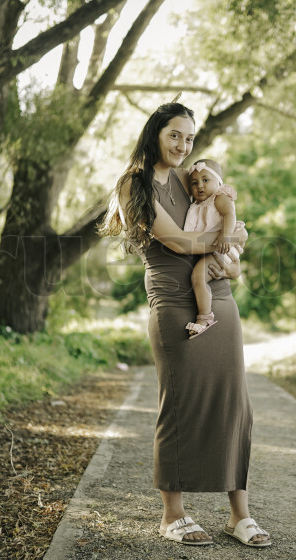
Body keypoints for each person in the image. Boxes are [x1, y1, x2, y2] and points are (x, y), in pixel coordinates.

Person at [100, 102, 271, 547]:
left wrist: (233, 253)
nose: (183, 145)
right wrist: (228, 241)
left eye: (190, 138)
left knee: (235, 402)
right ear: (156, 132)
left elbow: (233, 225)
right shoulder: (132, 184)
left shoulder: (189, 177)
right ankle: (172, 515)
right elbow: (175, 240)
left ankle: (240, 516)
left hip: (219, 298)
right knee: (180, 403)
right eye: (175, 135)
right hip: (174, 302)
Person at [182, 158, 245, 339]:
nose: (200, 186)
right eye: (194, 183)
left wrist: (226, 236)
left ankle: (205, 317)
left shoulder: (219, 197)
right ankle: (205, 314)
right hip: (214, 248)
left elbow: (229, 214)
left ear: (219, 183)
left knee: (198, 276)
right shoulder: (197, 205)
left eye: (205, 180)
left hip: (223, 248)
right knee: (198, 277)